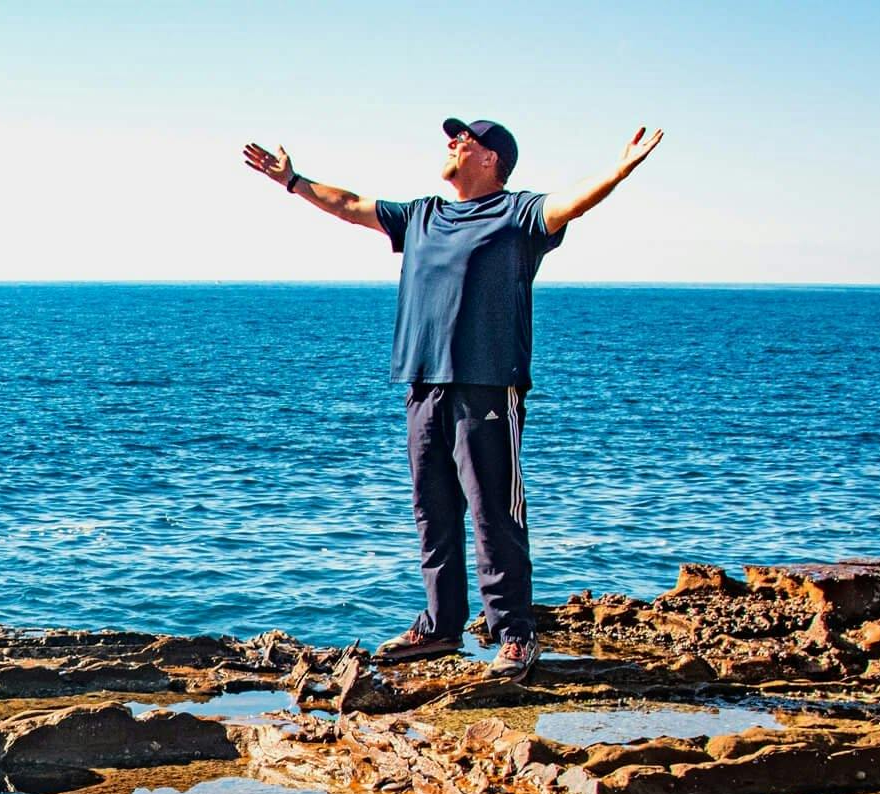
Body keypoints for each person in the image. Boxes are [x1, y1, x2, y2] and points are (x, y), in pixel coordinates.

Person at [243, 118, 663, 678]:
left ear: (491, 159)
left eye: (463, 139)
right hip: (423, 383)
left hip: (488, 382)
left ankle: (514, 634)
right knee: (433, 512)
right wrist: (293, 181)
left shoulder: (518, 215)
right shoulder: (422, 215)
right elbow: (349, 203)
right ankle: (441, 628)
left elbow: (571, 204)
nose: (451, 143)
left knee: (494, 512)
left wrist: (620, 167)